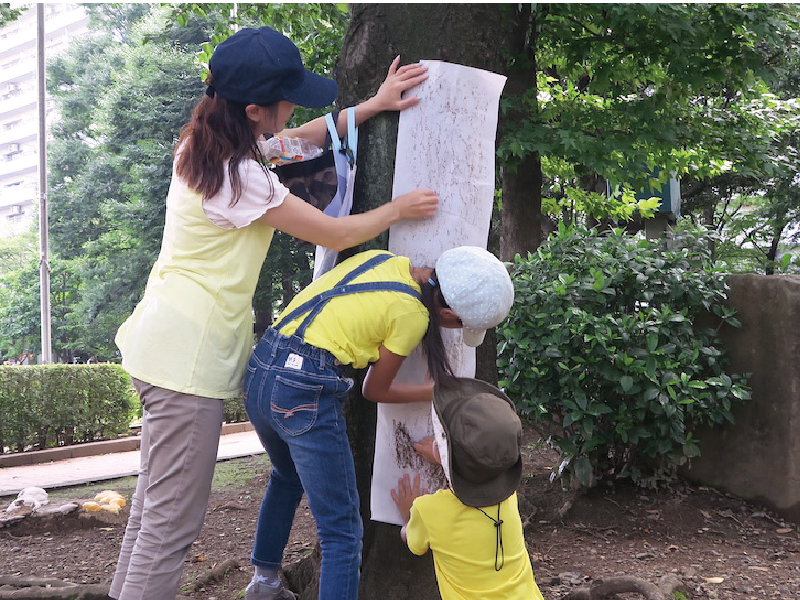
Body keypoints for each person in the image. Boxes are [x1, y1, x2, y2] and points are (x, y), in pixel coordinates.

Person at [109, 26, 439, 600]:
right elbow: (337, 231)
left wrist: (371, 107)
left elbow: (303, 141)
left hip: (160, 344)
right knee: (169, 530)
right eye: (287, 99)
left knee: (149, 518)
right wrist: (399, 209)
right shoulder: (242, 178)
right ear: (256, 110)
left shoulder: (208, 147)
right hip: (187, 365)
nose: (293, 109)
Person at [243, 245, 514, 600]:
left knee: (286, 476)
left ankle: (264, 584)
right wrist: (434, 392)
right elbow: (375, 389)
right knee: (342, 535)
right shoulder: (413, 314)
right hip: (302, 389)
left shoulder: (387, 261)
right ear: (447, 311)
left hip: (262, 369)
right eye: (461, 324)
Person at [391, 378, 547, 600]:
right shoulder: (508, 497)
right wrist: (444, 457)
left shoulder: (428, 509)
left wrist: (408, 516)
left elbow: (413, 542)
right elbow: (481, 467)